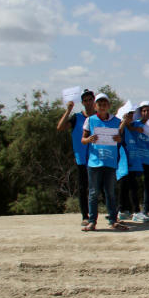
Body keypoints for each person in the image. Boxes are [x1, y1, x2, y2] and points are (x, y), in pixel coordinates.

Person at [80, 93, 128, 231]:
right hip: (94, 162)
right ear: (95, 106)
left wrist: (119, 140)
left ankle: (113, 220)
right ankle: (92, 222)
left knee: (111, 193)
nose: (102, 106)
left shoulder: (116, 121)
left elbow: (120, 140)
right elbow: (83, 140)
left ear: (109, 106)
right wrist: (89, 139)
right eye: (99, 104)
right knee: (93, 193)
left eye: (104, 104)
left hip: (111, 162)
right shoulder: (90, 120)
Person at [56, 88, 95, 225]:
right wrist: (68, 110)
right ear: (82, 102)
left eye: (91, 99)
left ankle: (107, 215)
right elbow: (60, 127)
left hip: (98, 158)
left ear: (94, 100)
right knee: (83, 187)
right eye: (86, 100)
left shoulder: (99, 117)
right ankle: (85, 216)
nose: (88, 102)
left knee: (99, 188)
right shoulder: (77, 118)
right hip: (82, 159)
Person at [125, 101, 149, 219]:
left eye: (148, 110)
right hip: (136, 160)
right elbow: (126, 127)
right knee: (134, 186)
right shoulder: (135, 124)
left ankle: (147, 210)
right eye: (143, 111)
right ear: (140, 112)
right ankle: (135, 210)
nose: (146, 113)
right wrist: (135, 130)